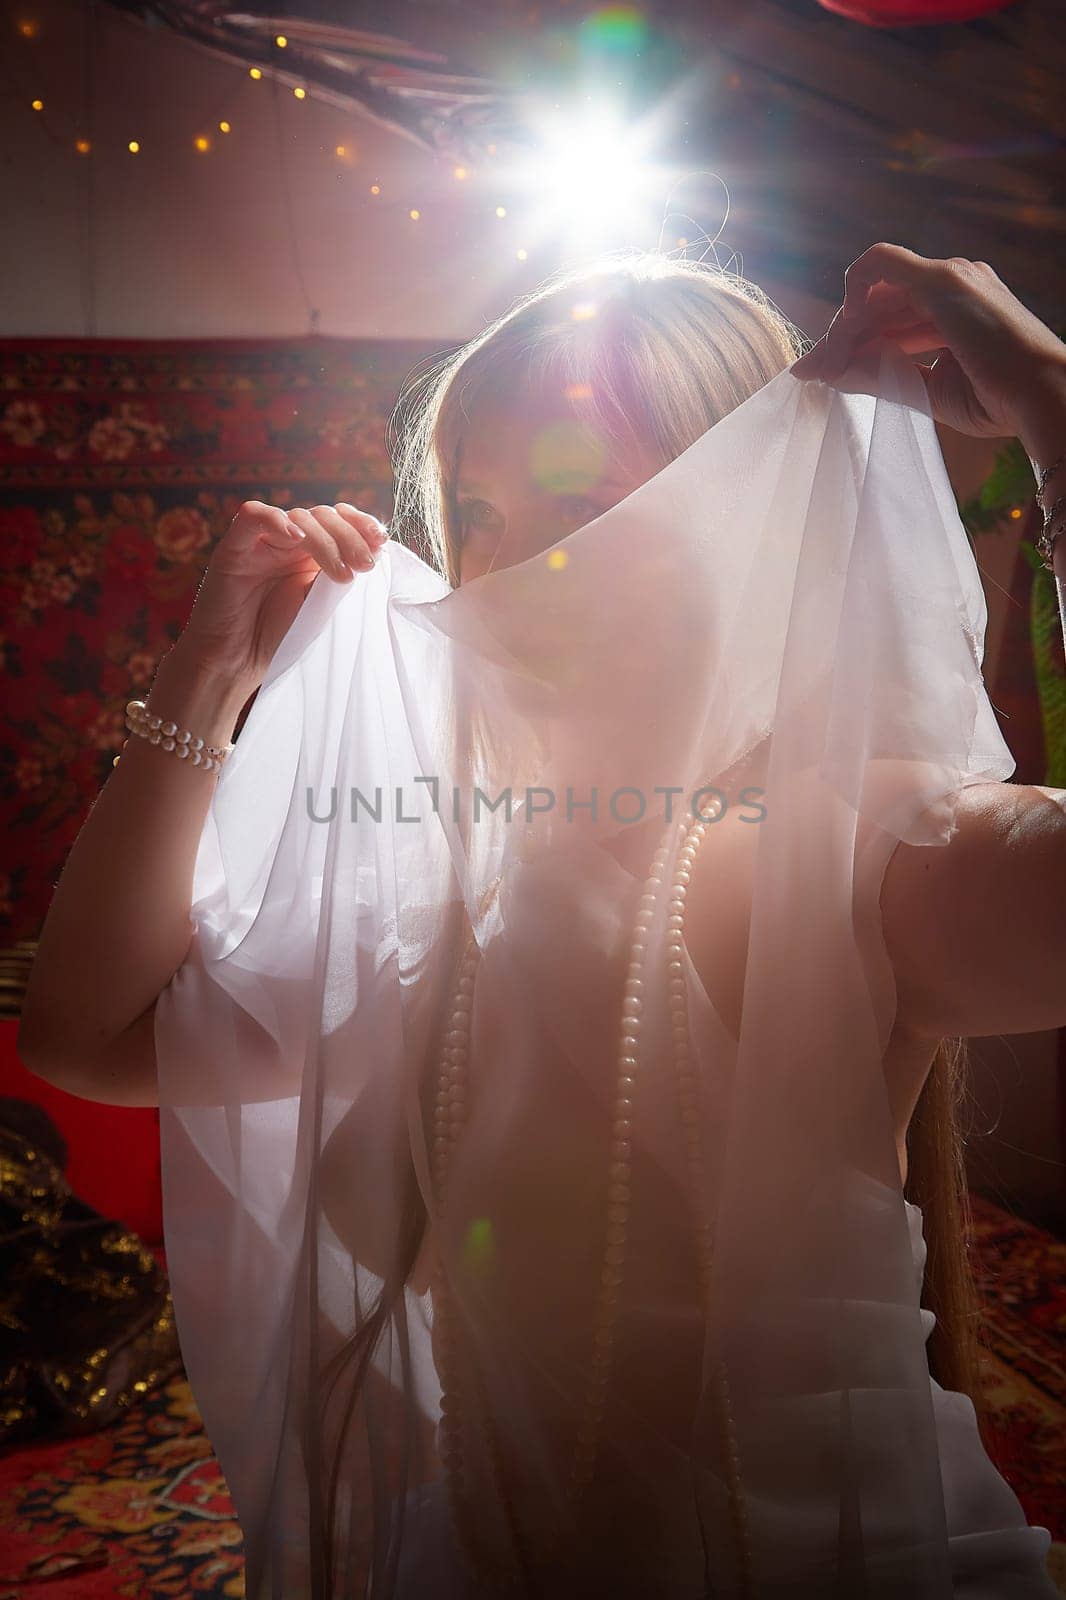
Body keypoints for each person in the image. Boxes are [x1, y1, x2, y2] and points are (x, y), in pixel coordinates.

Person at [18, 243, 1066, 1598]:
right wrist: (209, 671)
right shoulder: (437, 879)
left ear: (751, 528)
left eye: (586, 505)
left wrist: (1050, 402)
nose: (505, 568)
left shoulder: (852, 849)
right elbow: (88, 1035)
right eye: (479, 511)